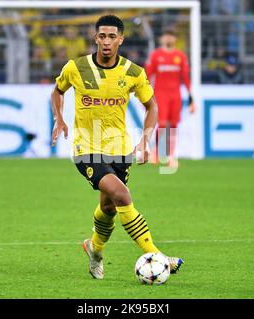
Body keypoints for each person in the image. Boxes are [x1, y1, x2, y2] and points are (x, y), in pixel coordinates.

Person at [50, 15, 184, 280]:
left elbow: (152, 106)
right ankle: (157, 255)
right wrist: (59, 118)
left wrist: (145, 140)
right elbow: (57, 91)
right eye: (102, 36)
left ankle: (94, 249)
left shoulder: (133, 72)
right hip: (86, 149)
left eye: (113, 36)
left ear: (121, 39)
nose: (107, 41)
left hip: (120, 149)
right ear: (95, 37)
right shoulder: (76, 68)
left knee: (110, 208)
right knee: (122, 195)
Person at [145, 28, 195, 168]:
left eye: (171, 36)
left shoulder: (180, 56)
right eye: (166, 36)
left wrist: (191, 97)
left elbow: (185, 78)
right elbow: (147, 75)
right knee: (161, 124)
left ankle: (171, 156)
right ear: (162, 39)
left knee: (173, 125)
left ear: (175, 39)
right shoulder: (155, 56)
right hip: (160, 94)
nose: (168, 39)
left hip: (175, 95)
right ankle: (156, 152)